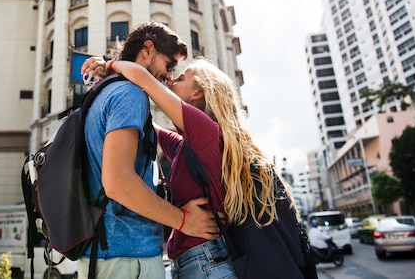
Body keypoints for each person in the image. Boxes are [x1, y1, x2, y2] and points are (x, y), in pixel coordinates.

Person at [82, 55, 290, 278]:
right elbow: (147, 125)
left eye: (180, 78)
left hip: (207, 262)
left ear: (197, 93)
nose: (170, 81)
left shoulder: (206, 132)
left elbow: (145, 80)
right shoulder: (189, 146)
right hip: (199, 261)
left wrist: (109, 65)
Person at [79, 21, 221, 279]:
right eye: (170, 66)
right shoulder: (129, 95)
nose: (169, 77)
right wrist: (182, 220)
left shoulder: (108, 93)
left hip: (107, 252)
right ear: (148, 49)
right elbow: (118, 183)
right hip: (128, 256)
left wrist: (109, 67)